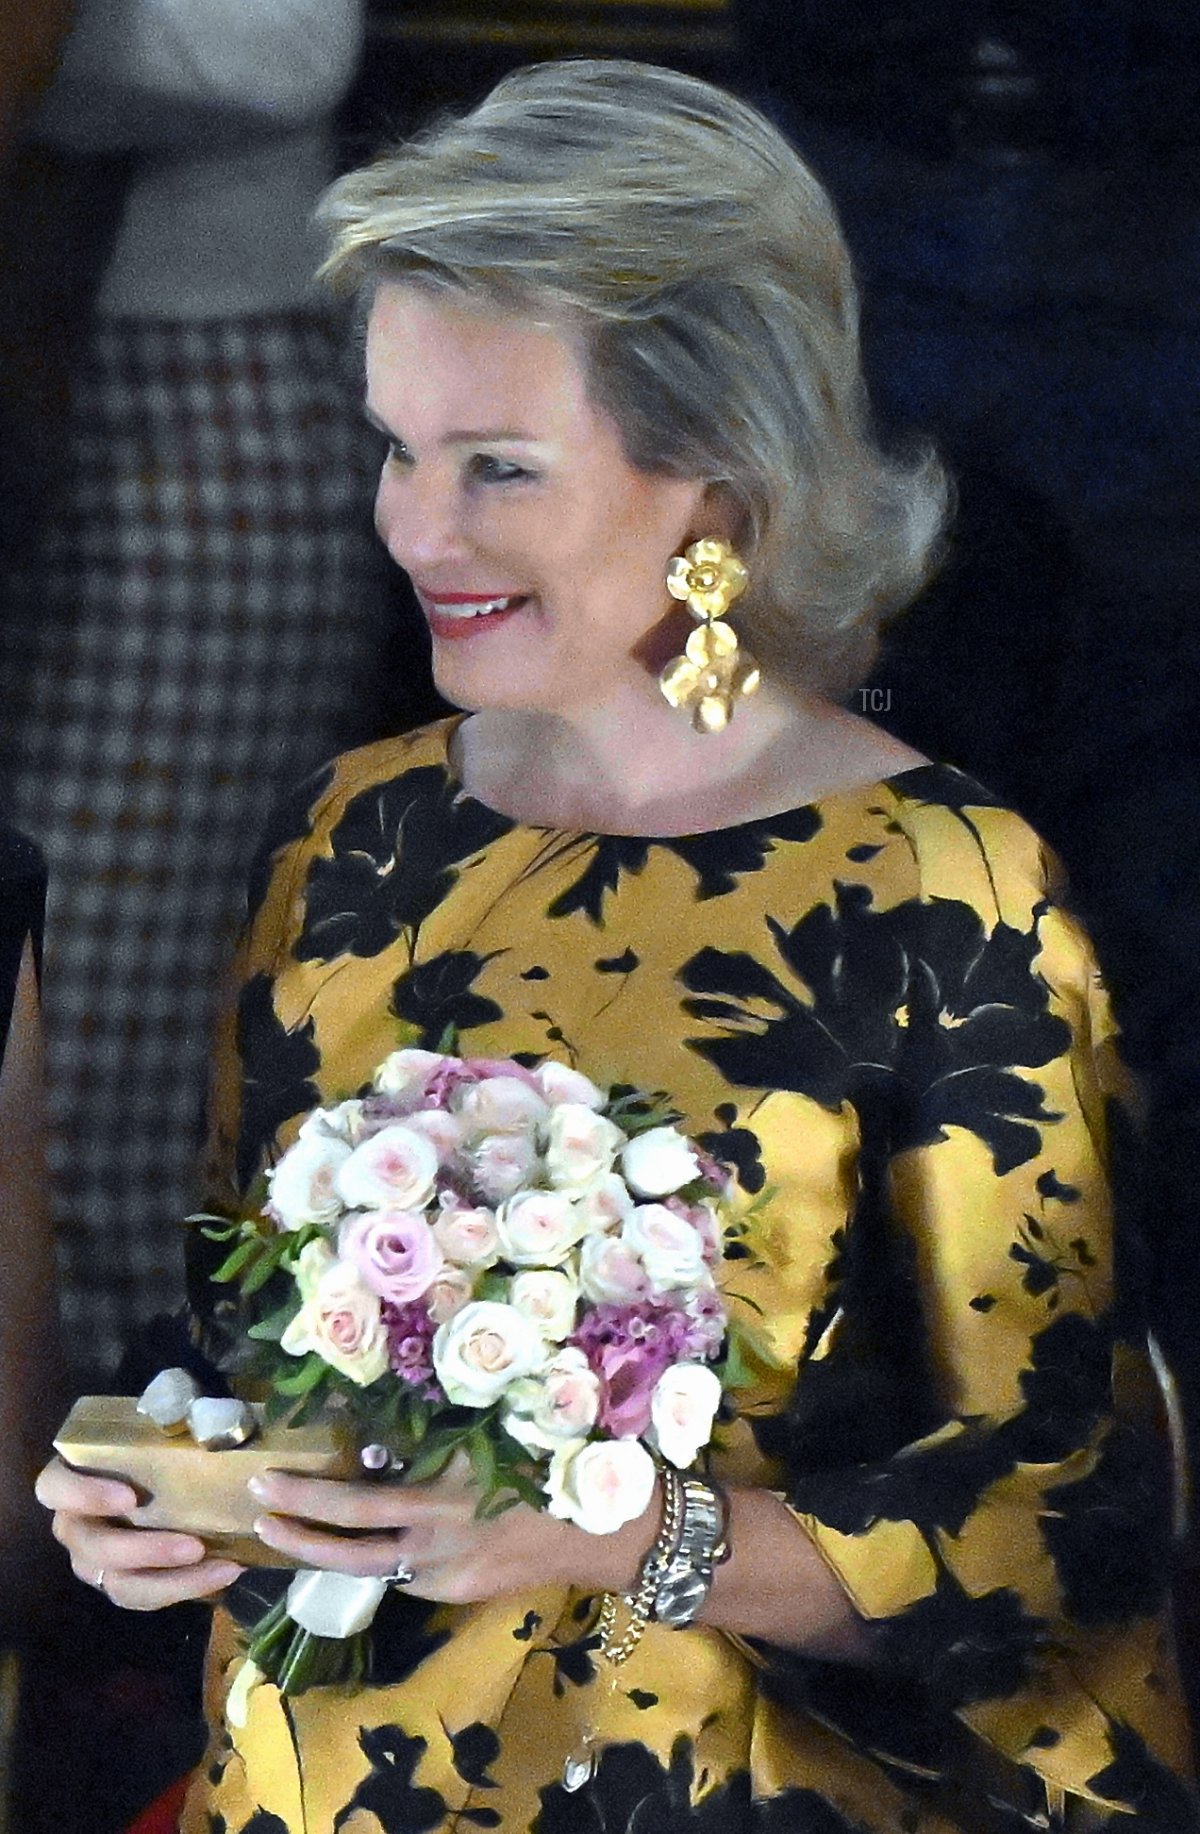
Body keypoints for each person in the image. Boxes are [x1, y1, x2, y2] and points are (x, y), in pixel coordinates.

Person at [37, 59, 1196, 1833]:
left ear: (717, 487)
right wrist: (165, 1485)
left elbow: (1063, 1524)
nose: (413, 527)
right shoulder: (349, 838)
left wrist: (637, 1537)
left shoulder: (944, 889)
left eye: (498, 467)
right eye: (397, 449)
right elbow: (236, 1331)